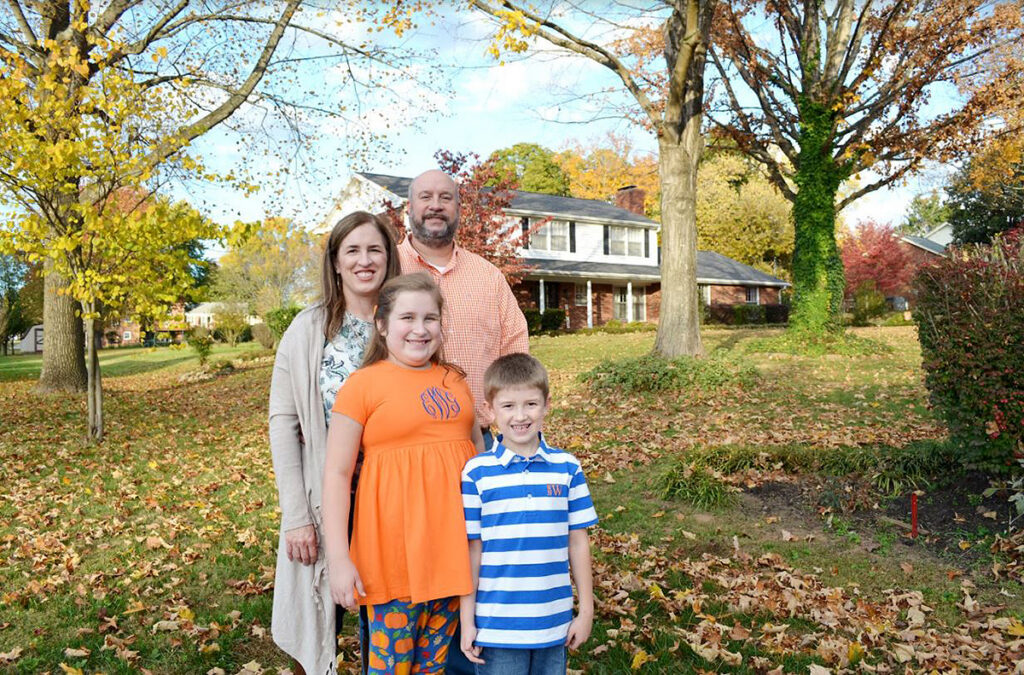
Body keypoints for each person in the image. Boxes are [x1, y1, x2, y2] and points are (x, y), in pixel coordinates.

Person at [322, 272, 486, 674]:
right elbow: (337, 475)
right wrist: (339, 560)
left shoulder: (455, 382)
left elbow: (482, 466)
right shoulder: (362, 385)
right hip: (392, 560)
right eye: (407, 318)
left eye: (430, 318)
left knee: (432, 669)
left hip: (452, 557)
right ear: (382, 324)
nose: (420, 329)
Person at [269, 211, 399, 675]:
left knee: (393, 626)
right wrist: (296, 517)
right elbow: (283, 423)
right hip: (328, 497)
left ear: (389, 258)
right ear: (336, 262)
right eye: (353, 251)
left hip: (392, 499)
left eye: (375, 249)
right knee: (317, 621)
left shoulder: (403, 323)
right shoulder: (309, 329)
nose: (365, 260)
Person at [459, 353, 598, 675]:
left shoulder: (567, 468)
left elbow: (578, 542)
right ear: (490, 410)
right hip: (497, 626)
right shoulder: (477, 472)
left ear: (547, 404)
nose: (520, 416)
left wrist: (586, 612)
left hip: (554, 623)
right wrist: (467, 621)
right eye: (508, 406)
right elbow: (472, 550)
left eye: (531, 404)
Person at [398, 168, 529, 447]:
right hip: (403, 440)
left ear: (458, 208)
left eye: (445, 197)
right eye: (425, 197)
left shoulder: (488, 276)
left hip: (478, 441)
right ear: (409, 207)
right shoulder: (387, 270)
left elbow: (515, 352)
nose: (436, 205)